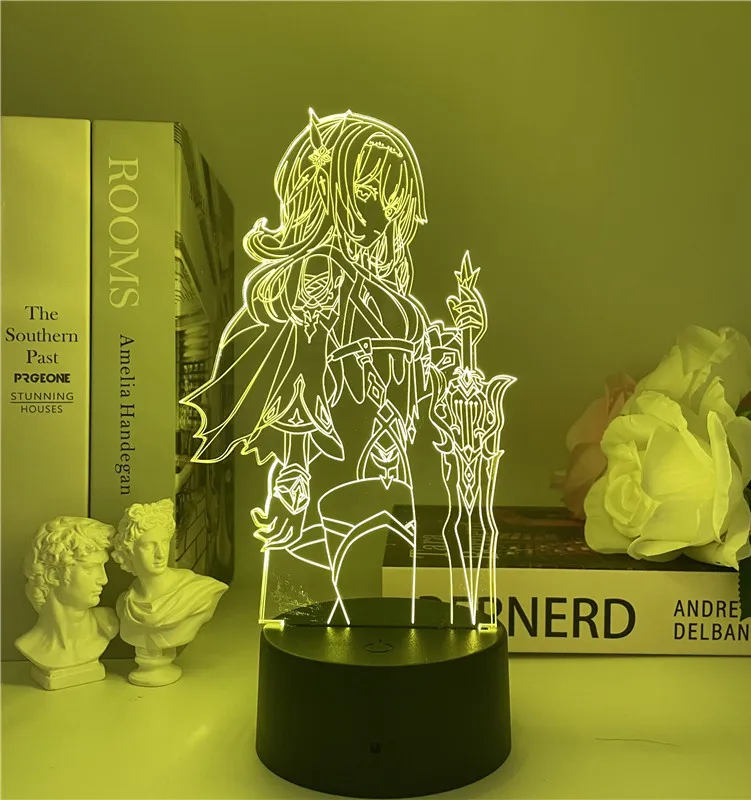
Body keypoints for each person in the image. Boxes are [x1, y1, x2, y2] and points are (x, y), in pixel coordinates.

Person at [181, 110, 507, 626]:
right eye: (367, 190)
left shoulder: (393, 298)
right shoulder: (321, 275)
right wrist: (291, 475)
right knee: (311, 606)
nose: (382, 209)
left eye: (392, 197)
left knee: (379, 598)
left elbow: (416, 383)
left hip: (388, 469)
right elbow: (300, 375)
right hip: (331, 464)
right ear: (324, 192)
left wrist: (465, 339)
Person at [111, 499, 227, 659]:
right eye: (149, 546)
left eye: (164, 542)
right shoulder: (124, 605)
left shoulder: (199, 591)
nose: (161, 554)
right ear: (129, 551)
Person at [16, 516, 118, 689]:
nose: (103, 579)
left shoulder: (107, 625)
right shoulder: (29, 644)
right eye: (90, 569)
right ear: (53, 575)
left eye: (102, 568)